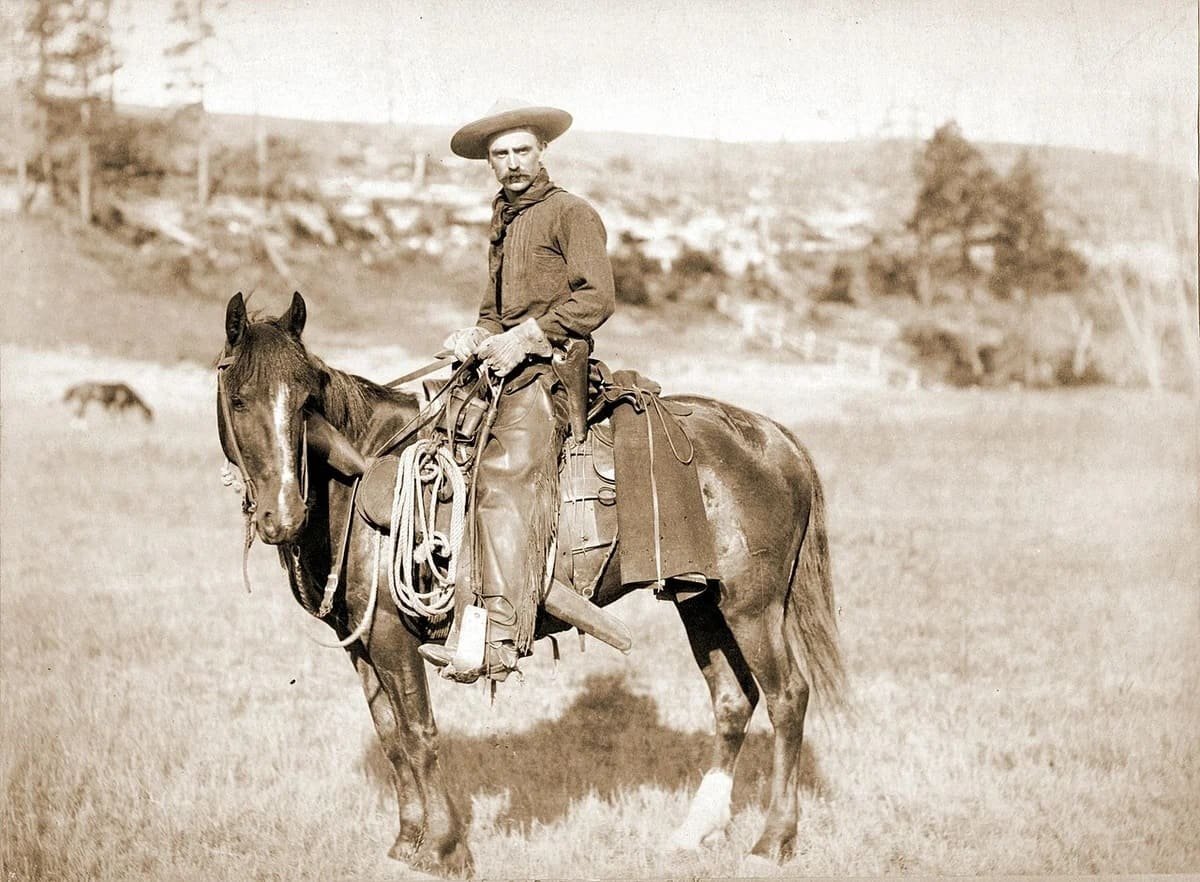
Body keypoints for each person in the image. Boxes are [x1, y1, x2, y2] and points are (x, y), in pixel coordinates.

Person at [418, 99, 615, 683]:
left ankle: (501, 636)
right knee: (434, 446)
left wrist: (528, 336)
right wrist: (473, 335)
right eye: (499, 155)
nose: (511, 163)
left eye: (521, 150)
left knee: (504, 475)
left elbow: (596, 298)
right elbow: (492, 311)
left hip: (554, 373)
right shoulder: (504, 219)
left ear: (543, 151)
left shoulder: (570, 213)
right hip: (507, 368)